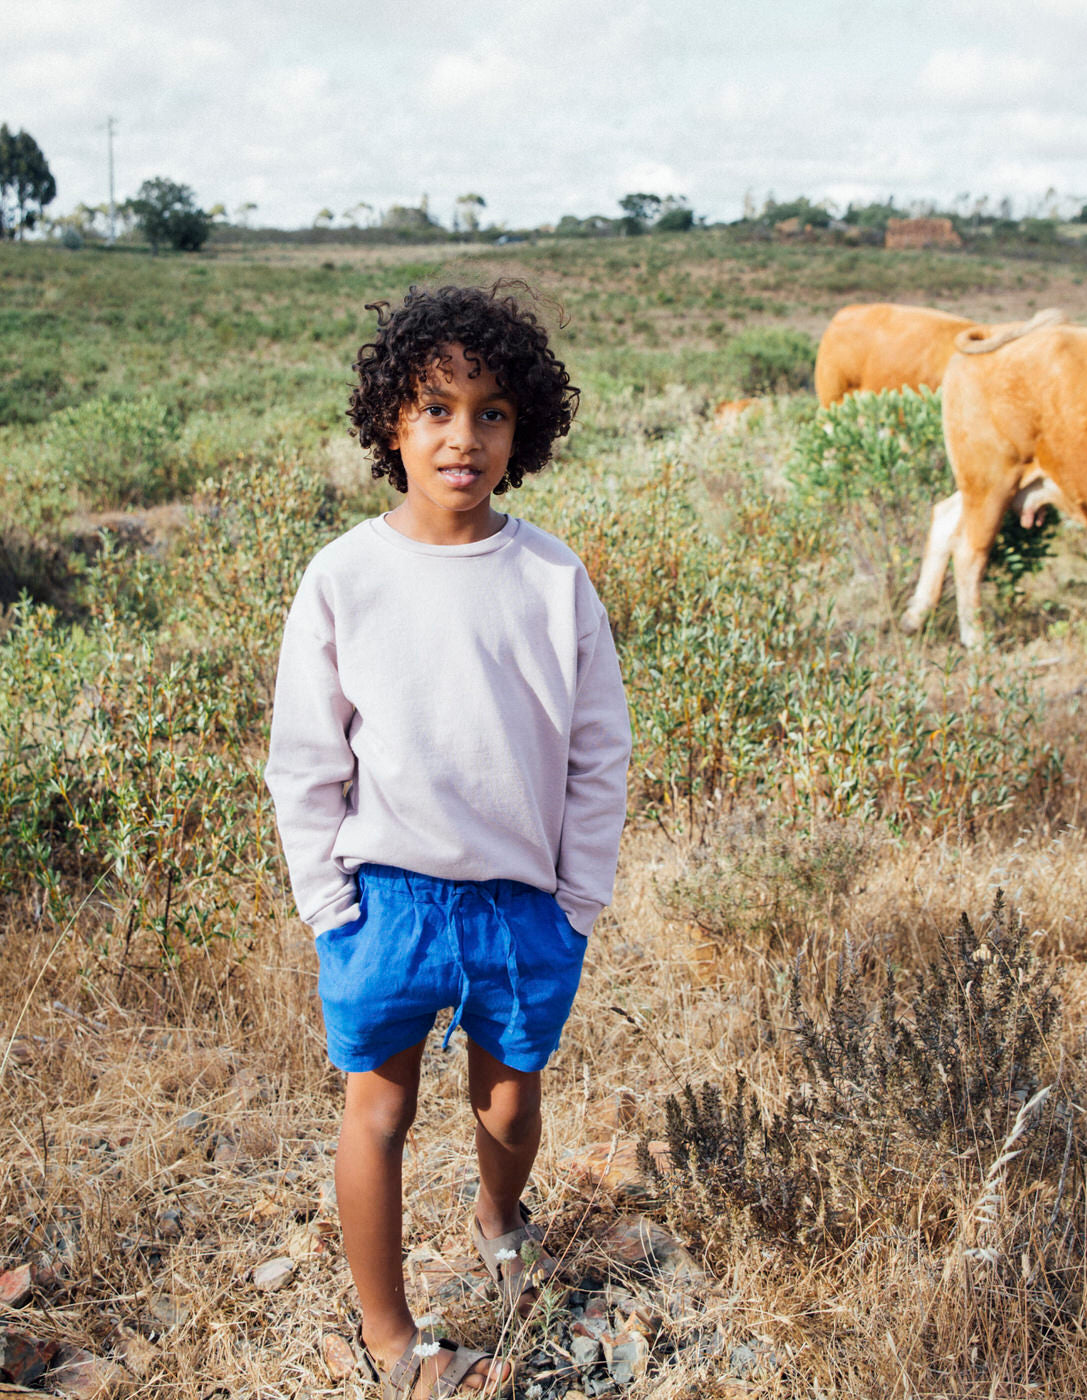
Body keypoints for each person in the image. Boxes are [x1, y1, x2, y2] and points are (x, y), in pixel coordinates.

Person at [265, 283, 631, 1399]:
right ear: (391, 422)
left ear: (524, 432)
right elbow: (305, 754)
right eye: (433, 407)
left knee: (510, 1100)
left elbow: (597, 747)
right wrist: (329, 903)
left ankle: (499, 1211)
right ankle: (388, 1332)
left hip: (522, 900)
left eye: (490, 412)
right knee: (378, 1106)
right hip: (385, 899)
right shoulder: (345, 575)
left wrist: (577, 896)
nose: (461, 436)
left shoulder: (551, 576)